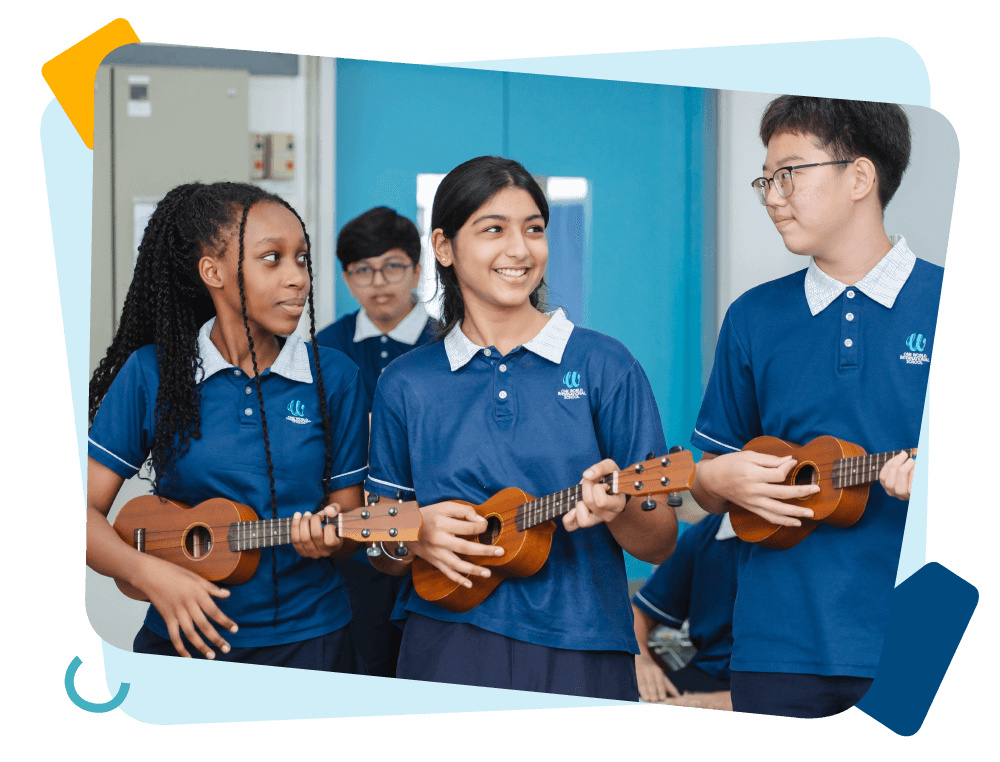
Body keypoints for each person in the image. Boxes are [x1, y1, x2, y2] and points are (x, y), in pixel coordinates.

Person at [364, 156, 678, 701]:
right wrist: (414, 535)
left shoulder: (607, 365)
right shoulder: (405, 382)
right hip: (446, 643)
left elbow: (659, 544)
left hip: (585, 644)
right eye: (494, 230)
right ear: (443, 246)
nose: (520, 249)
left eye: (534, 229)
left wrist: (618, 508)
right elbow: (376, 544)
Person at [688, 97, 943, 717]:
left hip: (924, 633)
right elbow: (707, 476)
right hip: (775, 648)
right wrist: (713, 478)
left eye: (790, 174)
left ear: (860, 177)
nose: (773, 196)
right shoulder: (752, 316)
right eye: (765, 180)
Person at [86, 182, 371, 670]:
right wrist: (150, 574)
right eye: (272, 258)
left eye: (301, 259)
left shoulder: (336, 377)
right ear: (212, 271)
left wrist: (330, 538)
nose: (297, 278)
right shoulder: (153, 373)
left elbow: (348, 521)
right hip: (182, 642)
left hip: (311, 642)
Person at [315, 206, 435, 678]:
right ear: (347, 278)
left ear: (418, 270)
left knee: (426, 657)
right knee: (361, 658)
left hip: (432, 530)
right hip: (351, 534)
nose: (379, 282)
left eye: (393, 266)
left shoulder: (449, 342)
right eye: (363, 270)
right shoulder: (324, 349)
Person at [632, 512, 740, 709]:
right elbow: (639, 612)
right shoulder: (706, 533)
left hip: (784, 687)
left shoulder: (809, 539)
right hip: (707, 674)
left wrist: (742, 701)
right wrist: (640, 659)